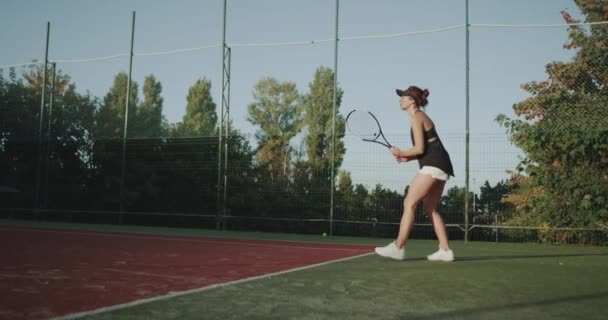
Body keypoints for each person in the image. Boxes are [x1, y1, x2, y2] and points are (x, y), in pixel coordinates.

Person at [374, 86, 455, 262]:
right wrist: (408, 159)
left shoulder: (417, 117)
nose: (400, 99)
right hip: (442, 164)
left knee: (409, 203)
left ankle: (398, 247)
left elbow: (419, 148)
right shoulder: (419, 116)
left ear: (411, 100)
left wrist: (400, 153)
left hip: (433, 165)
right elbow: (427, 147)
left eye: (403, 97)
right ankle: (445, 250)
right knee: (431, 209)